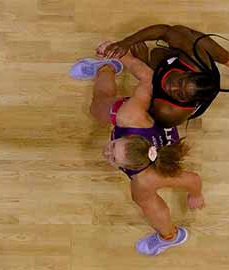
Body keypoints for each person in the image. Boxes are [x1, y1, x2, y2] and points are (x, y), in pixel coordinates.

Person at [70, 52, 205, 255]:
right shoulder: (129, 116)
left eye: (113, 158)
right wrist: (122, 54)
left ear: (132, 168)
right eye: (113, 145)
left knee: (144, 200)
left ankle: (169, 237)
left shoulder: (146, 179)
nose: (106, 152)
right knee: (97, 107)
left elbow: (192, 179)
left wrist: (195, 195)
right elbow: (149, 78)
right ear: (128, 137)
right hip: (143, 112)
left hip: (147, 172)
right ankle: (107, 66)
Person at [96, 24, 229, 127]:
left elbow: (145, 109)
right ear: (189, 71)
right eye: (180, 82)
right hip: (200, 69)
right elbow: (165, 31)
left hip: (159, 98)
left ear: (185, 101)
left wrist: (143, 63)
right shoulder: (196, 59)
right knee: (184, 34)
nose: (172, 87)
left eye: (179, 94)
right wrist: (126, 43)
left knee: (154, 56)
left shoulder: (169, 111)